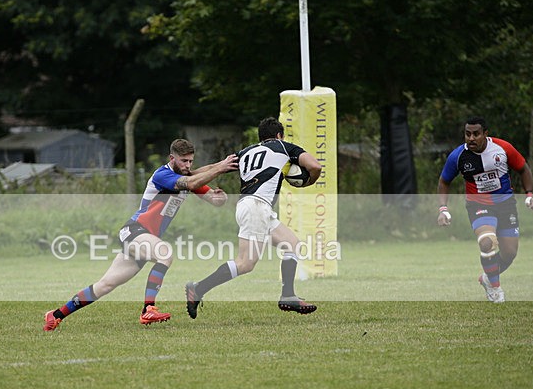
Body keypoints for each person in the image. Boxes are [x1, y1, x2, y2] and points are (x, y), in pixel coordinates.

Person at [43, 139, 238, 331]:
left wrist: (220, 196)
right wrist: (220, 167)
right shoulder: (163, 175)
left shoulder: (188, 177)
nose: (188, 165)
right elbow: (192, 180)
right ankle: (148, 309)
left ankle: (56, 315)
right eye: (183, 161)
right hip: (136, 230)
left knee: (105, 285)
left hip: (145, 238)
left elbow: (213, 197)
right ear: (172, 158)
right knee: (165, 254)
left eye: (190, 161)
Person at [185, 116, 323, 318]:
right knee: (245, 263)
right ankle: (198, 289)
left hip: (254, 207)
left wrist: (189, 174)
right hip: (256, 206)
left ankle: (288, 295)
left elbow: (217, 166)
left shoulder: (246, 152)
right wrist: (309, 181)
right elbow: (315, 166)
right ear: (278, 135)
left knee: (292, 244)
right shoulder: (284, 147)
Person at [437, 116, 533, 303]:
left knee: (509, 253)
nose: (471, 138)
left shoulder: (503, 148)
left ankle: (487, 278)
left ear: (485, 134)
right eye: (468, 134)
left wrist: (529, 194)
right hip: (478, 205)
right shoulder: (457, 156)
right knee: (487, 242)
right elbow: (444, 181)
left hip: (506, 204)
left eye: (476, 134)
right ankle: (496, 289)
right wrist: (443, 208)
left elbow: (524, 169)